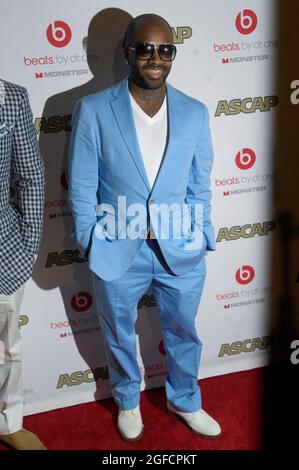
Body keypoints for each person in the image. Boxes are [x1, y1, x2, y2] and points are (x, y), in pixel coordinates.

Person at [68, 13, 221, 442]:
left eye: (166, 49)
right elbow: (81, 186)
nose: (156, 58)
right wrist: (90, 240)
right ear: (128, 52)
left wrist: (202, 231)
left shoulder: (194, 112)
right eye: (146, 48)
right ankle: (128, 400)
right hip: (117, 247)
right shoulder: (94, 109)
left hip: (181, 247)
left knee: (184, 331)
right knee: (118, 333)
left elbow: (199, 184)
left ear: (173, 54)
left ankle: (185, 398)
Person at [0, 79, 46, 450]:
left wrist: (28, 245)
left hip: (5, 253)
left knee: (7, 347)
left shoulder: (10, 97)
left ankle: (8, 421)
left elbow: (30, 175)